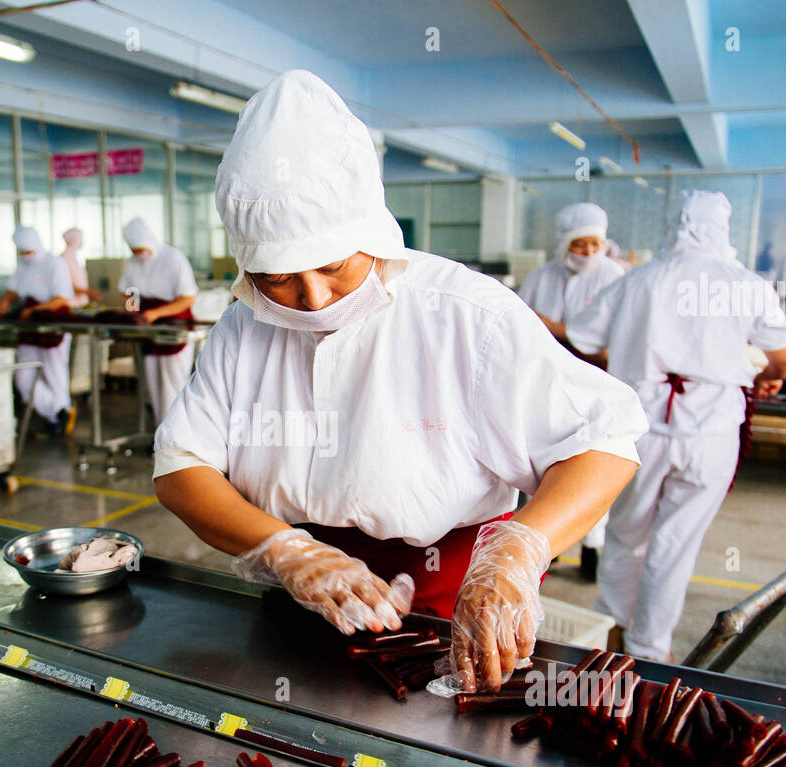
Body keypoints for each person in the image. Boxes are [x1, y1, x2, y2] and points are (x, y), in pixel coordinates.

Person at [151, 70, 648, 693]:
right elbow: (180, 468)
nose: (310, 298)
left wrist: (522, 547)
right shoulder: (241, 329)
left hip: (450, 607)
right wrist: (289, 553)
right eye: (278, 276)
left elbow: (601, 438)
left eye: (332, 265)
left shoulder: (466, 315)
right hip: (299, 604)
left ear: (370, 230)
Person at [565, 190, 786, 662]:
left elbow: (584, 339)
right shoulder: (745, 284)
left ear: (674, 225)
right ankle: (649, 651)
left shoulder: (640, 280)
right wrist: (765, 378)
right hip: (711, 431)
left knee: (626, 535)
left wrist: (640, 346)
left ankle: (609, 639)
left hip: (640, 428)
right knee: (675, 545)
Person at [518, 202, 626, 581]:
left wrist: (556, 330)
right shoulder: (541, 277)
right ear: (565, 243)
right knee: (545, 465)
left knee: (591, 464)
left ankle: (592, 547)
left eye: (595, 244)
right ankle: (550, 541)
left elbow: (611, 343)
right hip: (546, 385)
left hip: (596, 385)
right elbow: (520, 327)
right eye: (580, 245)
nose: (588, 253)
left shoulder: (615, 278)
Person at [0, 225, 75, 437]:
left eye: (29, 252)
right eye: (23, 253)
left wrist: (35, 309)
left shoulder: (54, 263)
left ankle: (57, 419)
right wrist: (5, 301)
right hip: (29, 328)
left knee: (54, 375)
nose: (27, 256)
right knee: (23, 377)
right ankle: (58, 412)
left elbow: (62, 297)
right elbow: (15, 289)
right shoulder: (23, 265)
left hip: (52, 325)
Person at [119, 216, 199, 426]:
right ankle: (161, 436)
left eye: (140, 249)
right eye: (134, 250)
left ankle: (176, 440)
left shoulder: (173, 258)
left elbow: (187, 297)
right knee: (153, 387)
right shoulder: (132, 263)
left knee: (172, 386)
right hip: (148, 331)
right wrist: (133, 312)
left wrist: (156, 314)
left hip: (174, 328)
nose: (138, 254)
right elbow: (129, 292)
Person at [60, 227, 101, 308]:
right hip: (71, 305)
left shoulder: (74, 259)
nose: (82, 242)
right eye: (81, 239)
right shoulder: (63, 259)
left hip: (81, 304)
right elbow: (64, 285)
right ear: (75, 239)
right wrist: (87, 292)